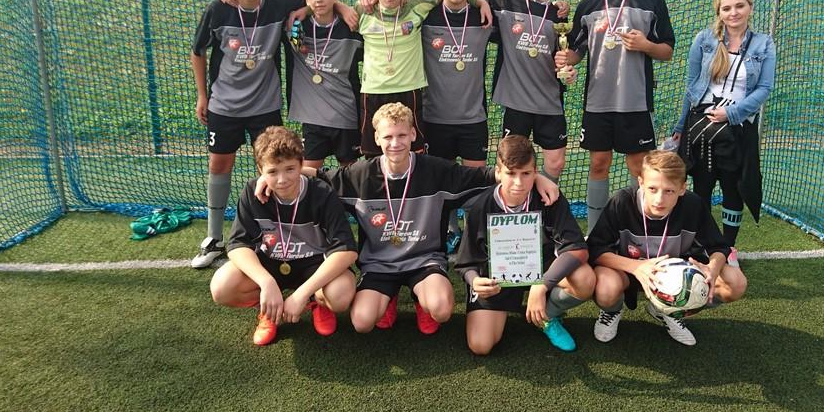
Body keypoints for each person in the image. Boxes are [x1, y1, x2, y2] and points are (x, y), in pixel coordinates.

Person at [254, 103, 559, 336]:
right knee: (361, 322)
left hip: (424, 262)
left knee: (441, 309)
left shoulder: (436, 170)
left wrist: (538, 178)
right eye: (388, 136)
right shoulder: (359, 175)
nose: (395, 143)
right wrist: (268, 179)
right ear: (376, 138)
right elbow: (318, 176)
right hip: (379, 265)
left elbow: (488, 175)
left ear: (413, 135)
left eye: (402, 135)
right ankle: (386, 298)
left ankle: (419, 299)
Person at [190, 0, 307, 269]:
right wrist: (202, 95)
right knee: (219, 164)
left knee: (272, 169)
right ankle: (214, 238)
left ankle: (272, 236)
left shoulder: (278, 6)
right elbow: (197, 51)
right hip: (224, 104)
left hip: (265, 106)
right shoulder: (218, 9)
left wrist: (304, 11)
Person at [557, 0, 675, 233]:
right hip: (598, 101)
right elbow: (576, 50)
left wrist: (645, 45)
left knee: (639, 167)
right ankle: (595, 233)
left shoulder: (651, 0)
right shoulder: (588, 5)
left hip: (634, 101)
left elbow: (667, 51)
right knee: (598, 164)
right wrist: (566, 58)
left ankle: (641, 229)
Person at [209, 126, 358, 345]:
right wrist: (266, 282)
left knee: (341, 294)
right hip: (271, 263)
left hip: (314, 265)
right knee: (222, 287)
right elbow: (238, 244)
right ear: (260, 169)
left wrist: (302, 293)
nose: (282, 179)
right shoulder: (252, 192)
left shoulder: (321, 192)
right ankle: (270, 309)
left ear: (301, 164)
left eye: (290, 169)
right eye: (272, 172)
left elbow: (346, 250)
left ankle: (316, 302)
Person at [588, 150, 747, 347]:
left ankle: (670, 310)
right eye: (653, 189)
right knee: (606, 288)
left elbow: (719, 247)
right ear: (641, 183)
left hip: (676, 277)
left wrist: (712, 269)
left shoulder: (692, 205)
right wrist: (637, 267)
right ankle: (612, 311)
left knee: (735, 283)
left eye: (669, 191)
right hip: (627, 271)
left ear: (682, 188)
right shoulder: (622, 202)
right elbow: (595, 249)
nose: (659, 199)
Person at [454, 135, 595, 354]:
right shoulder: (482, 206)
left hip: (542, 268)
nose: (519, 183)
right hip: (497, 276)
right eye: (511, 173)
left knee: (585, 279)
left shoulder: (549, 198)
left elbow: (577, 249)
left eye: (526, 174)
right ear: (498, 172)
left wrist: (541, 285)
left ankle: (548, 316)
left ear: (535, 172)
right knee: (480, 345)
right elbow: (466, 262)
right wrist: (475, 281)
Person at [671, 0, 776, 247]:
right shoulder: (704, 39)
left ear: (750, 8)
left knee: (733, 188)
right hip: (702, 127)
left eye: (739, 6)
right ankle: (702, 245)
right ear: (719, 12)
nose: (733, 13)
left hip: (738, 128)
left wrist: (731, 113)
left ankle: (727, 248)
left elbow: (764, 88)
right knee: (702, 188)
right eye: (726, 8)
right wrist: (681, 126)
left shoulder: (764, 43)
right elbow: (692, 86)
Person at [355, 0, 491, 158]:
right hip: (372, 92)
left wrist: (478, 0)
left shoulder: (417, 5)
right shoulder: (361, 11)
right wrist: (352, 3)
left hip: (410, 90)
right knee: (373, 156)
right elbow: (333, 12)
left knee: (414, 155)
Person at [420, 0, 493, 252]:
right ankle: (450, 232)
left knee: (476, 182)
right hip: (435, 117)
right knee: (442, 182)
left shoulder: (484, 16)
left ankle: (473, 241)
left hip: (473, 117)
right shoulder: (425, 16)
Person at [488, 0, 575, 184]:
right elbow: (473, 2)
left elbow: (561, 56)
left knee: (556, 163)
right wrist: (479, 2)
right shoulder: (506, 0)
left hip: (549, 99)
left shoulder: (558, 15)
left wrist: (567, 71)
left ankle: (542, 204)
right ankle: (512, 203)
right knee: (511, 163)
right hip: (516, 101)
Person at [285, 0, 363, 169]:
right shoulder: (296, 26)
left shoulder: (351, 27)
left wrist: (342, 8)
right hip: (313, 119)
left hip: (346, 115)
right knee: (307, 172)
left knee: (349, 172)